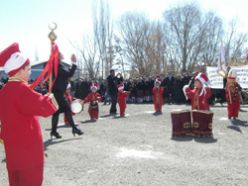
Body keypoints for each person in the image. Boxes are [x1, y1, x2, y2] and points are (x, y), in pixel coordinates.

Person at [0, 43, 57, 186]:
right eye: (28, 68)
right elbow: (47, 108)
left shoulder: (3, 93)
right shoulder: (22, 91)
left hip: (13, 157)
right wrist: (54, 96)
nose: (30, 72)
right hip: (29, 158)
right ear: (19, 70)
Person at [51, 53, 83, 138]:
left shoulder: (59, 66)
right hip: (57, 93)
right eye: (60, 54)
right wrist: (74, 63)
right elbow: (69, 74)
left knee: (56, 112)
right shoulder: (57, 66)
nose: (62, 54)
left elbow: (67, 74)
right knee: (67, 109)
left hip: (58, 93)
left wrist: (72, 64)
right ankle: (74, 129)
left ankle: (54, 131)